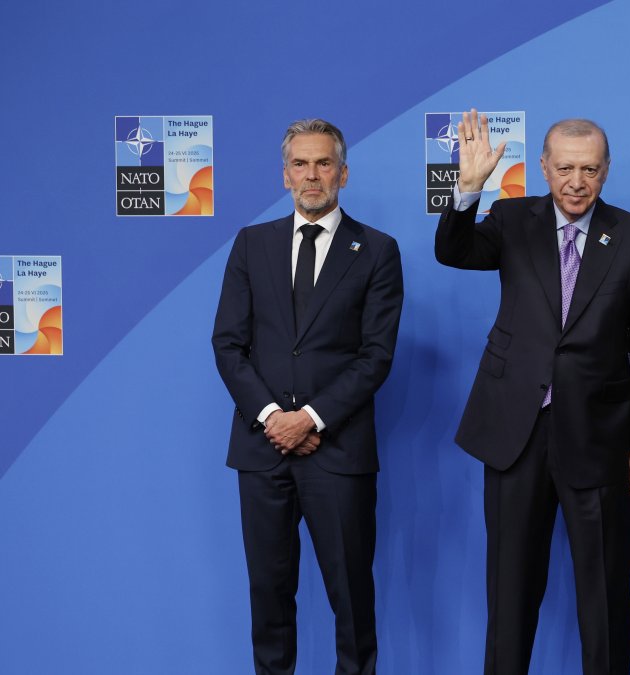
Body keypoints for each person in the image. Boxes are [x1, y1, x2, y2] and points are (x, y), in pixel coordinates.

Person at [435, 111, 630, 675]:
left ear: (607, 170)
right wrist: (468, 188)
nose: (576, 182)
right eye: (564, 169)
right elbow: (454, 251)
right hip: (516, 431)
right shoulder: (512, 218)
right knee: (509, 597)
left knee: (605, 598)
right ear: (543, 167)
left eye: (589, 169)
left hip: (601, 439)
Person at [212, 118, 404, 675]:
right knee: (268, 597)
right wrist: (275, 417)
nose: (312, 175)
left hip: (338, 452)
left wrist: (312, 419)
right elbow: (228, 344)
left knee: (351, 598)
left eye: (323, 163)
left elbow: (377, 356)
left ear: (343, 172)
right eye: (301, 163)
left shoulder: (377, 251)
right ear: (285, 174)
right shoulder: (252, 245)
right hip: (261, 450)